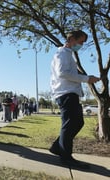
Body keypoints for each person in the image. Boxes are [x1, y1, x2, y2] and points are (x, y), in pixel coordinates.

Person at [49, 30, 100, 169]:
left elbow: (69, 73)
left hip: (70, 93)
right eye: (81, 41)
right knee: (70, 124)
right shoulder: (62, 53)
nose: (82, 45)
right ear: (71, 39)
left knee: (77, 122)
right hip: (66, 94)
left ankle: (57, 147)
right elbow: (63, 73)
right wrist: (86, 79)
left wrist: (87, 78)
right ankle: (66, 157)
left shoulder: (67, 54)